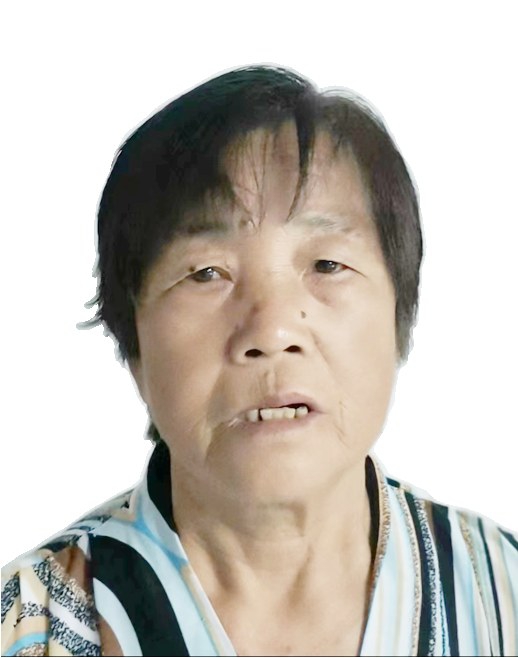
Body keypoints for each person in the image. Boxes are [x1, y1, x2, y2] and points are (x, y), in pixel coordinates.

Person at [1, 64, 516, 657]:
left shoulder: (502, 596)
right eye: (206, 273)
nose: (272, 331)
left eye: (327, 265)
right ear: (133, 340)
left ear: (400, 313)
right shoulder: (27, 627)